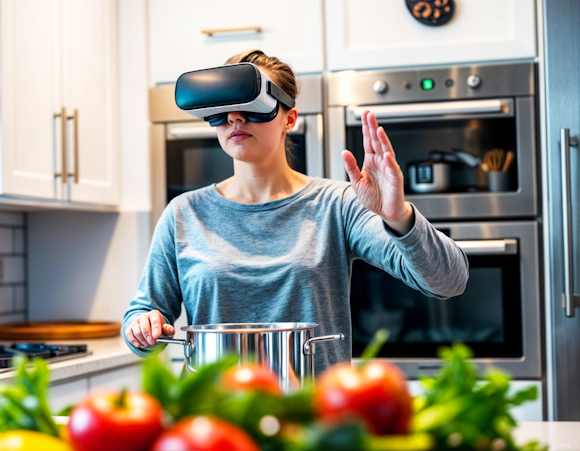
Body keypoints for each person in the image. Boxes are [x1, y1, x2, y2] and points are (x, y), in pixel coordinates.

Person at [123, 49, 468, 374]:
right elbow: (141, 321)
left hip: (314, 420)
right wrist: (143, 327)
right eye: (224, 109)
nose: (235, 118)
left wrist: (398, 216)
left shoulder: (339, 204)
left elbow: (449, 281)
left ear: (289, 119)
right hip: (214, 422)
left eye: (253, 105)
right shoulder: (184, 213)